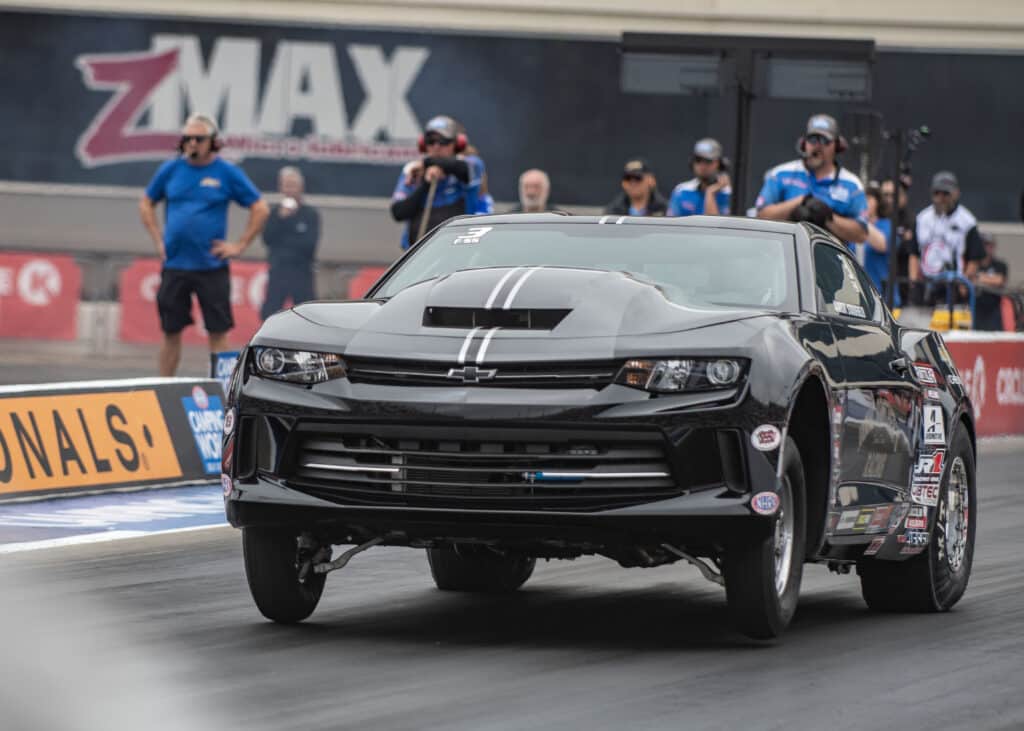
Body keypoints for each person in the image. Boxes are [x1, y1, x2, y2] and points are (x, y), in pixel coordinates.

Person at [139, 113, 269, 377]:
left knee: (218, 333)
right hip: (175, 265)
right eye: (187, 138)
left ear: (213, 142)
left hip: (211, 267)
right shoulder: (171, 169)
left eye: (199, 139)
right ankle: (164, 389)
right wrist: (157, 238)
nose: (192, 143)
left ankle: (223, 394)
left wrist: (239, 245)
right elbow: (146, 202)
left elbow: (260, 208)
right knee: (170, 332)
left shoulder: (227, 172)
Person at [756, 114, 868, 247]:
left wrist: (828, 218)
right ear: (804, 144)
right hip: (785, 257)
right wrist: (800, 202)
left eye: (825, 140)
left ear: (837, 146)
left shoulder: (852, 184)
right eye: (813, 139)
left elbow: (861, 234)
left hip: (832, 260)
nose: (818, 146)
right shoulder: (780, 174)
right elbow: (761, 216)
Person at [390, 115, 484, 249]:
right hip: (417, 251)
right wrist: (426, 184)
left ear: (457, 144)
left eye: (443, 141)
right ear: (424, 144)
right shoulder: (412, 171)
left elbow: (460, 168)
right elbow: (398, 213)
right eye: (431, 141)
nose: (436, 146)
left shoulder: (472, 164)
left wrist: (427, 163)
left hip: (459, 249)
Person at [907, 171, 986, 306]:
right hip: (925, 285)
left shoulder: (967, 221)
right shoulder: (922, 219)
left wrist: (963, 284)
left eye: (945, 193)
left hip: (953, 286)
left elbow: (974, 258)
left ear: (956, 193)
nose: (940, 197)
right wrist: (913, 283)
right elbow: (914, 253)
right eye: (936, 193)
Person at [260, 166, 321, 320]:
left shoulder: (310, 214)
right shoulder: (274, 214)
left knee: (306, 316)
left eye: (293, 185)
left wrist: (288, 233)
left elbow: (309, 245)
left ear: (301, 187)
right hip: (278, 271)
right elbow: (267, 239)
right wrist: (282, 219)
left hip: (302, 273)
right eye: (286, 185)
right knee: (269, 313)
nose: (289, 189)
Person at [667, 138, 731, 217]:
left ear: (720, 165)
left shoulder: (728, 194)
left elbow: (714, 226)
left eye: (708, 161)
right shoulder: (681, 191)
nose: (702, 165)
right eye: (698, 160)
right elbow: (671, 224)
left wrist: (710, 192)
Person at [858, 183, 898, 304]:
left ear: (878, 202)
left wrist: (861, 219)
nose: (863, 202)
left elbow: (882, 245)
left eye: (868, 198)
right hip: (860, 297)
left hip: (883, 297)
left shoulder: (887, 225)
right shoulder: (854, 227)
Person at [880, 177, 916, 304]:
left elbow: (911, 249)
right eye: (885, 195)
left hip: (901, 284)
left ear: (903, 197)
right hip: (878, 281)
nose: (889, 199)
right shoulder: (875, 219)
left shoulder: (911, 220)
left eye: (893, 195)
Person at [971, 233, 1008, 331]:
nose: (988, 248)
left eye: (990, 245)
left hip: (993, 311)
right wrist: (987, 280)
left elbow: (999, 280)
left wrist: (979, 277)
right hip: (976, 309)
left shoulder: (1000, 265)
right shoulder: (973, 264)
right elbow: (969, 278)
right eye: (985, 245)